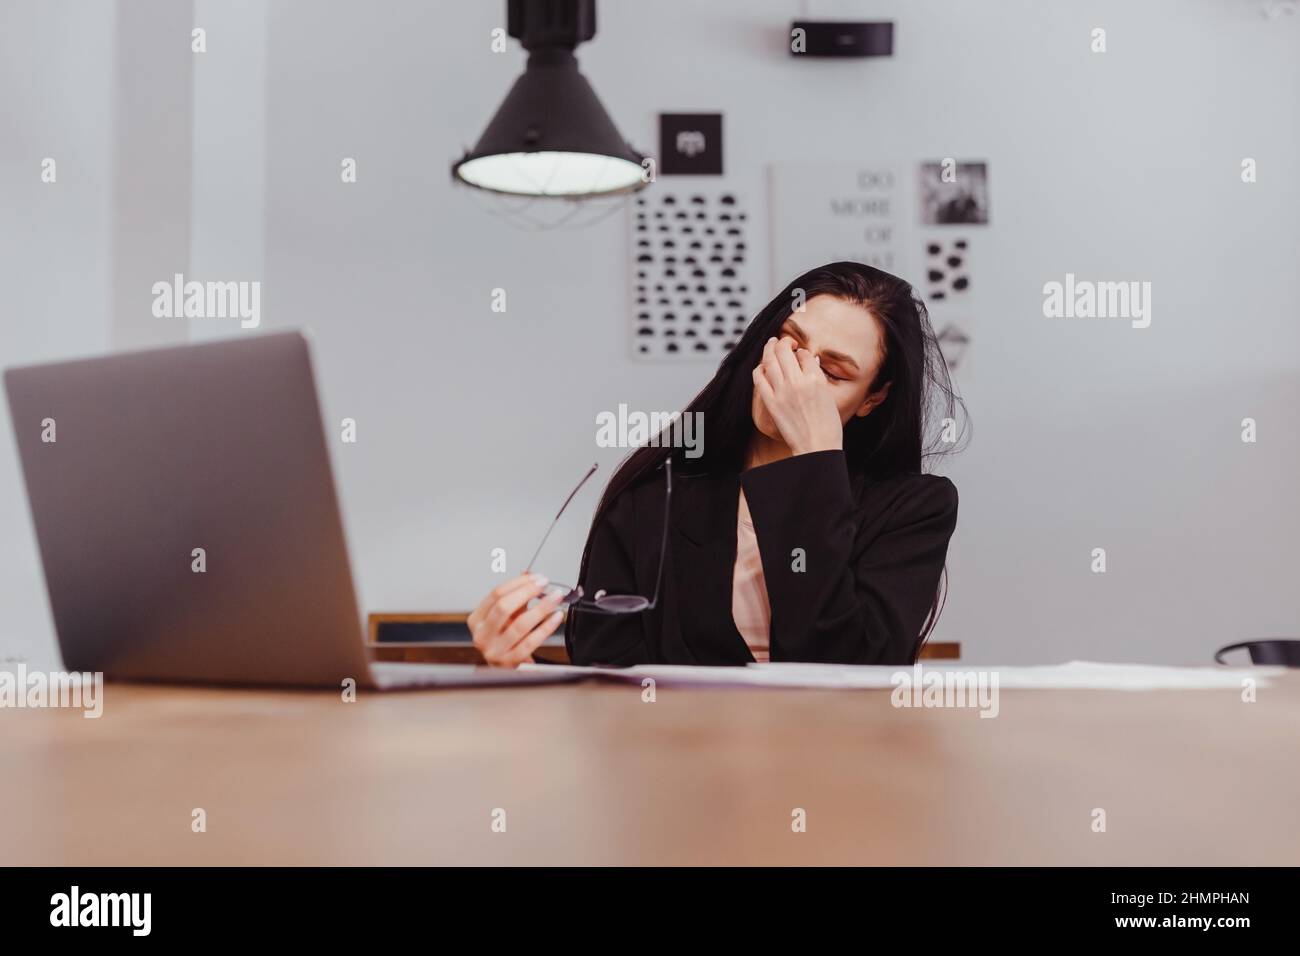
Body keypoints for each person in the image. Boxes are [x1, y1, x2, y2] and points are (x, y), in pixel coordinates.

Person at [468, 261, 963, 668]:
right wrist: (516, 667)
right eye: (789, 344)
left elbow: (848, 671)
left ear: (873, 399)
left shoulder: (914, 509)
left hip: (836, 772)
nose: (792, 379)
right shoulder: (653, 500)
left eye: (830, 372)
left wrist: (815, 462)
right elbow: (607, 689)